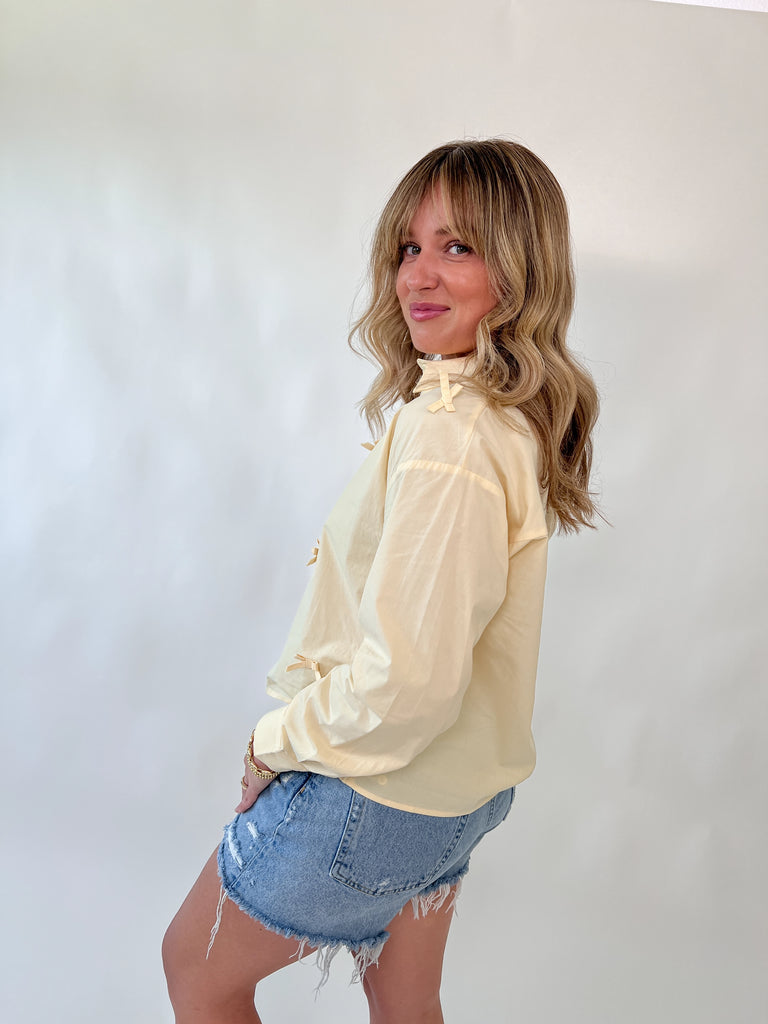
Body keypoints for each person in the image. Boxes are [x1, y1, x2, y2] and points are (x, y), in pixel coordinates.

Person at [162, 137, 599, 1024]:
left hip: (374, 790)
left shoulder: (452, 433)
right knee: (408, 1002)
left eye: (458, 246)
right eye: (409, 247)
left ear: (519, 271)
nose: (418, 276)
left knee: (196, 970)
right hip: (458, 799)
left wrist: (274, 739)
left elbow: (409, 682)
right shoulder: (503, 419)